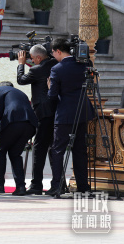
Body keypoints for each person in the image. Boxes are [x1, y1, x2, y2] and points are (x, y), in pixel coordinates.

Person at [46, 38, 94, 196]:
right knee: (80, 151)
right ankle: (83, 186)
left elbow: (52, 96)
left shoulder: (57, 69)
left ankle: (58, 186)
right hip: (83, 112)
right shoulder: (84, 64)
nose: (53, 56)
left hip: (65, 115)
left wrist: (49, 88)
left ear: (58, 51)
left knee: (58, 150)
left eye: (53, 52)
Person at [16, 45, 58, 195]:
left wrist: (21, 64)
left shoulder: (36, 70)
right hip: (56, 112)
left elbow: (21, 80)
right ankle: (58, 183)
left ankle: (36, 184)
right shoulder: (55, 64)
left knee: (39, 148)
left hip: (43, 114)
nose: (31, 61)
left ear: (39, 58)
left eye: (32, 58)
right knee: (54, 148)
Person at [0, 81, 38, 196]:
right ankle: (20, 186)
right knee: (15, 154)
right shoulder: (20, 92)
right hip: (30, 125)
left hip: (13, 122)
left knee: (0, 151)